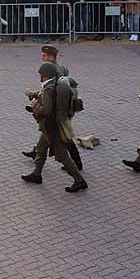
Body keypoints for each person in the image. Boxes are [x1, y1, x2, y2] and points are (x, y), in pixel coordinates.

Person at [21, 62, 88, 193]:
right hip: (50, 127)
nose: (40, 77)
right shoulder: (54, 85)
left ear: (45, 75)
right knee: (40, 149)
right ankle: (37, 174)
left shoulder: (48, 89)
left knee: (62, 156)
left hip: (52, 128)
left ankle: (79, 181)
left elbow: (46, 110)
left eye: (41, 75)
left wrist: (35, 105)